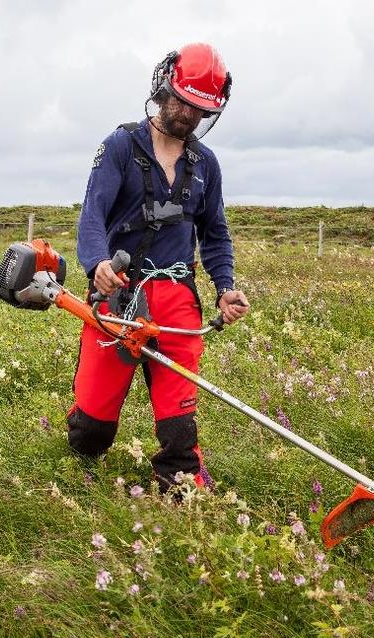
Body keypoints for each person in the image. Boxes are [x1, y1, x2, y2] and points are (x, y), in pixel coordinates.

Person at [67, 42, 249, 493]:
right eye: (182, 102)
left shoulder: (206, 164)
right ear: (163, 85)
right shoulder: (119, 147)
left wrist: (225, 287)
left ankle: (180, 482)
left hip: (177, 301)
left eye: (200, 110)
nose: (188, 115)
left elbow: (215, 234)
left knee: (178, 416)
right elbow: (92, 216)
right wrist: (98, 265)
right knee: (92, 428)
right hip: (119, 296)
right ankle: (82, 457)